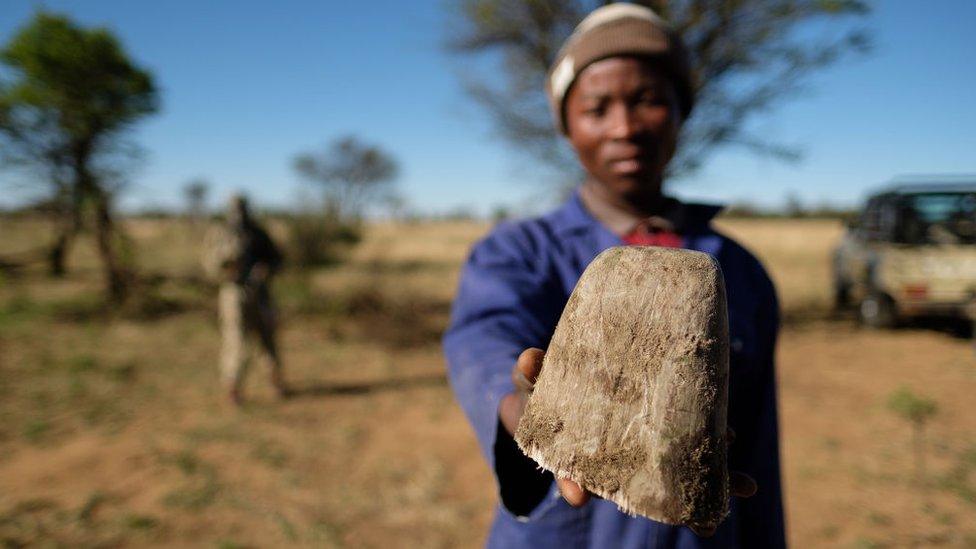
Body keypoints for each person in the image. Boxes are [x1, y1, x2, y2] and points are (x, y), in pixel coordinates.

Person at [443, 4, 785, 548]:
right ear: (567, 125)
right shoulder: (518, 250)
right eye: (596, 108)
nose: (624, 128)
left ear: (681, 111)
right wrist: (523, 408)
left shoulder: (737, 269)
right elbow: (482, 341)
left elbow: (759, 443)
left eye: (648, 100)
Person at [205, 194, 288, 405]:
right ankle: (233, 388)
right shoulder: (220, 234)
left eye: (242, 208)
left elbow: (277, 259)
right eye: (234, 209)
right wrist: (226, 264)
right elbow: (210, 266)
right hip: (233, 293)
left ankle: (275, 382)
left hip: (260, 293)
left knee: (267, 338)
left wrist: (265, 270)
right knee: (236, 341)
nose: (239, 213)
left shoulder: (258, 233)